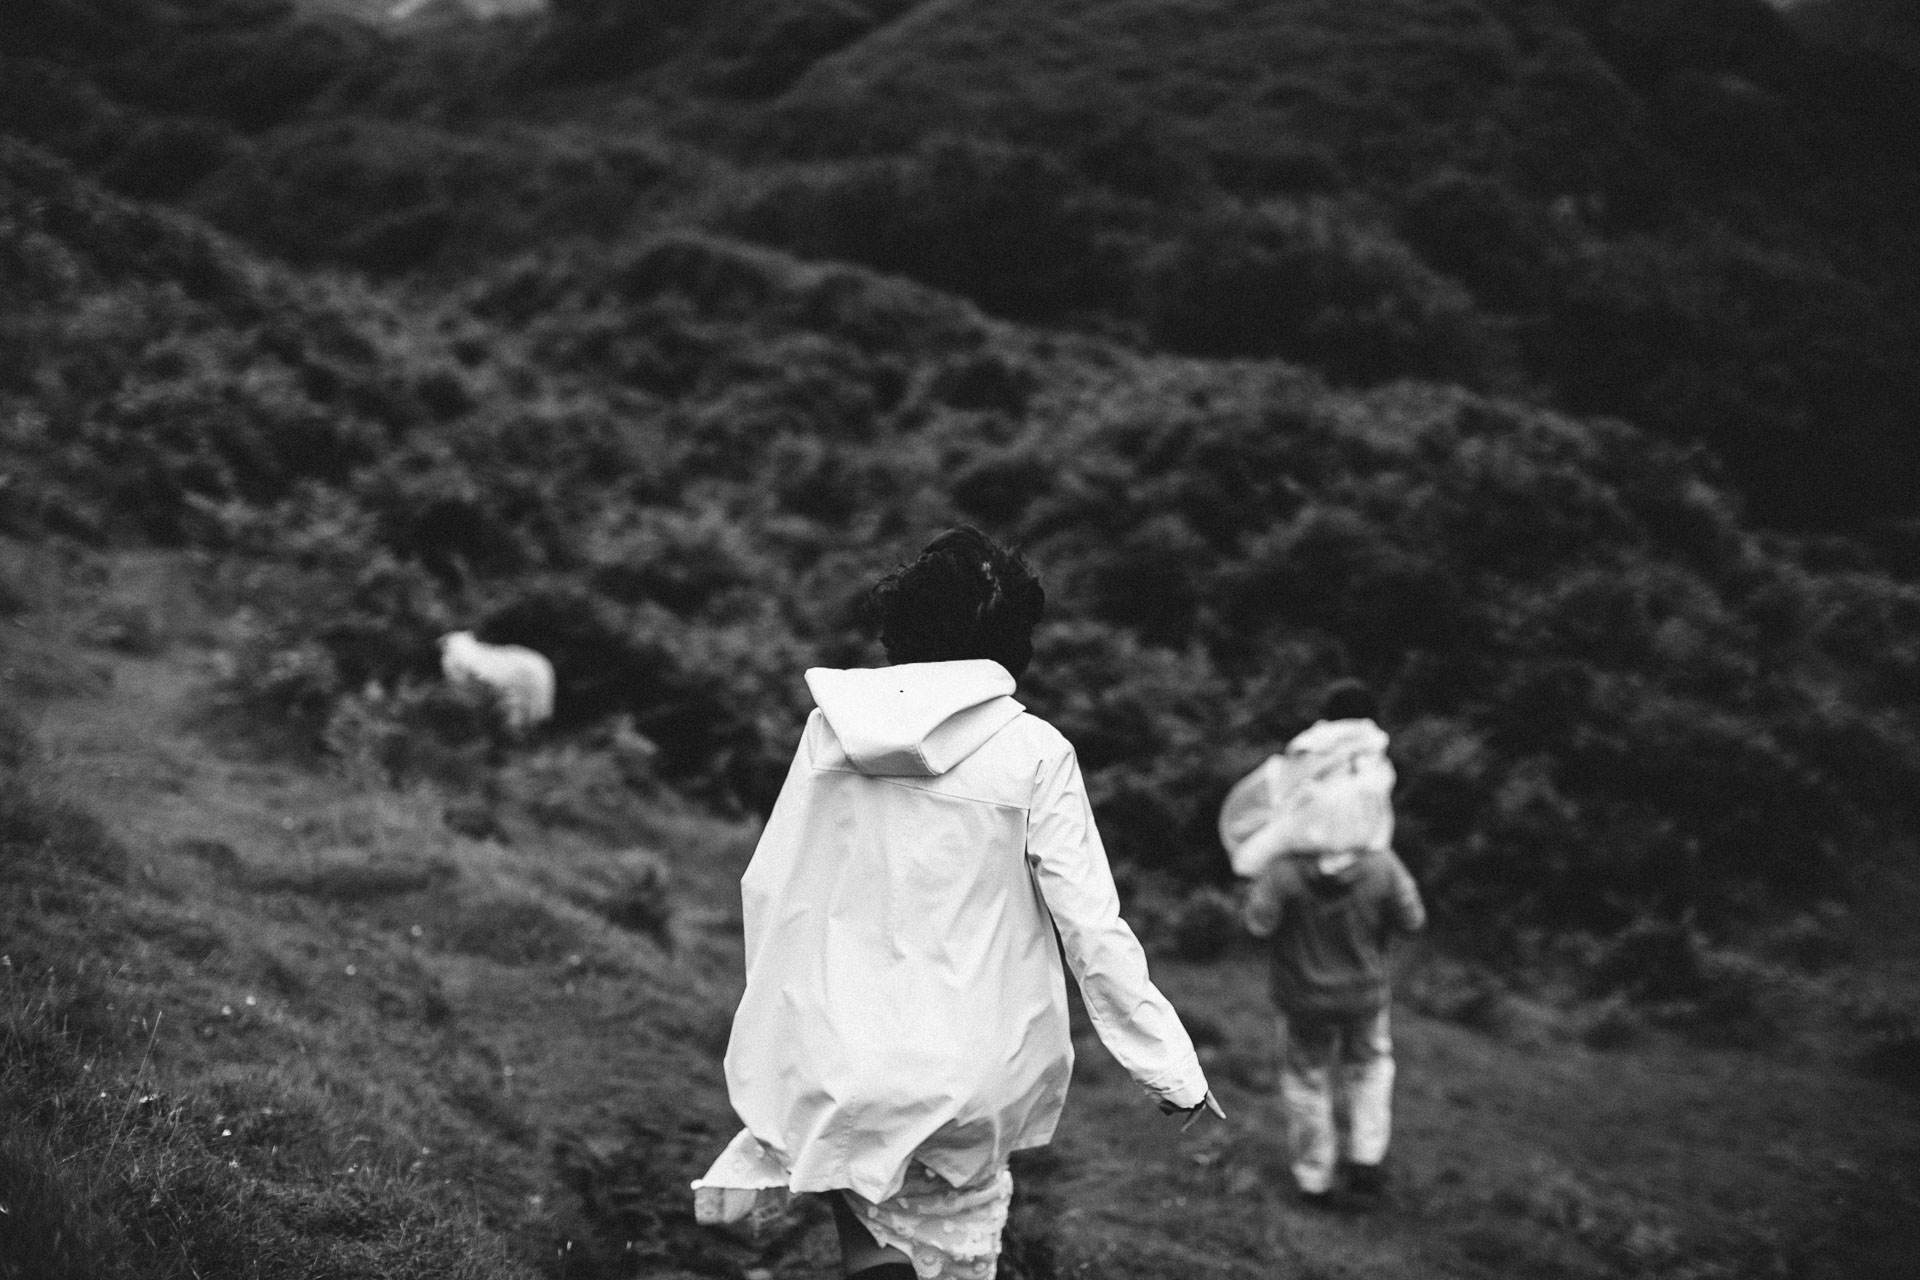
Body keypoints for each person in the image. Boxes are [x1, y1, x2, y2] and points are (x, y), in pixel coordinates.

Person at [714, 526, 1222, 1280]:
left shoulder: (831, 731)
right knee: (956, 1251)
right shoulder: (1036, 752)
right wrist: (1170, 1069)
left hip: (842, 1053)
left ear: (902, 626)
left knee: (859, 1191)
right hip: (971, 1068)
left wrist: (781, 1029)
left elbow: (772, 884)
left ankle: (874, 1259)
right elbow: (1091, 927)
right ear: (1014, 641)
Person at [1240, 679, 1424, 1208]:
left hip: (1302, 997)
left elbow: (1257, 925)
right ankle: (1366, 1160)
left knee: (1307, 1079)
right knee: (1371, 1068)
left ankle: (1315, 1179)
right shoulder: (1381, 865)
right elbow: (1413, 919)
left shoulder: (1285, 871)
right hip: (1366, 993)